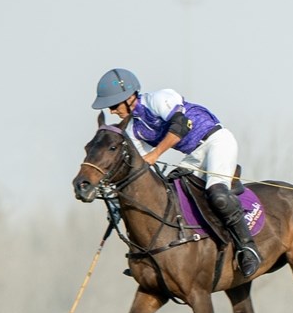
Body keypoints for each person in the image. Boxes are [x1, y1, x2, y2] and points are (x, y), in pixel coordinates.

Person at [91, 68, 263, 278]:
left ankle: (248, 249)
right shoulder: (134, 130)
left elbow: (180, 126)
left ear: (129, 97)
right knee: (172, 192)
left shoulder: (159, 99)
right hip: (195, 155)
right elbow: (137, 168)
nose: (112, 111)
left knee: (217, 194)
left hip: (217, 141)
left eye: (114, 105)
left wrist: (155, 154)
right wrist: (119, 200)